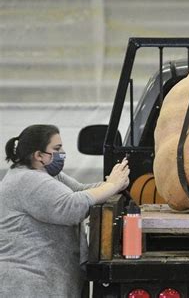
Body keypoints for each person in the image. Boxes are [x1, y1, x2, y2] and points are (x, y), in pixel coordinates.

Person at [0, 124, 130, 297]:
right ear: (39, 155)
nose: (62, 153)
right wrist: (112, 186)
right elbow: (71, 207)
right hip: (30, 283)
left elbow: (80, 191)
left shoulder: (47, 174)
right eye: (57, 148)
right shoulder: (27, 180)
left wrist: (114, 183)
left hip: (48, 278)